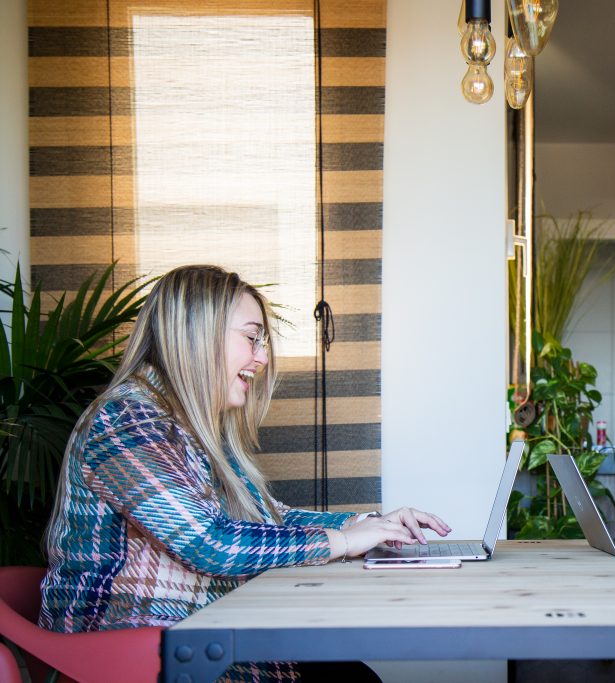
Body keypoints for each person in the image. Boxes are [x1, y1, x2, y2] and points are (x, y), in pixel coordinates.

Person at [39, 265, 451, 682]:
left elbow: (269, 517)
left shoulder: (192, 426)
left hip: (197, 641)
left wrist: (367, 524)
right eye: (252, 338)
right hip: (136, 656)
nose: (263, 356)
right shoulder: (127, 421)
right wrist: (343, 542)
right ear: (196, 334)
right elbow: (208, 542)